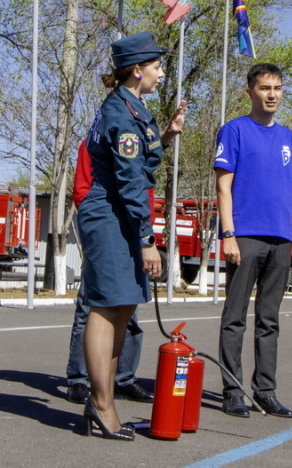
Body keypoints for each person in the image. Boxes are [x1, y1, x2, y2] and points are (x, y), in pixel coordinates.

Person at [78, 31, 186, 440]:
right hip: (110, 213)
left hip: (119, 211)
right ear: (137, 69)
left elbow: (138, 158)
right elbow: (128, 180)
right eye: (157, 67)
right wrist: (146, 239)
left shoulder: (131, 108)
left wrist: (169, 134)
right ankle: (101, 405)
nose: (161, 74)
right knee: (107, 307)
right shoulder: (122, 113)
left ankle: (103, 401)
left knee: (123, 306)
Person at [213, 63, 292, 419]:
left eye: (278, 88)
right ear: (250, 92)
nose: (272, 94)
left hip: (280, 240)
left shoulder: (288, 138)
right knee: (235, 317)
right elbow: (223, 185)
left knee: (269, 319)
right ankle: (233, 391)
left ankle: (265, 391)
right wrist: (229, 234)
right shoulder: (235, 130)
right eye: (265, 88)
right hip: (246, 236)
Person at [65, 140, 154, 405]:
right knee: (91, 308)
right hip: (105, 233)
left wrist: (146, 234)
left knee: (130, 311)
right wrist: (97, 230)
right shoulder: (92, 144)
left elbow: (144, 192)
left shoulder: (141, 146)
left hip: (134, 234)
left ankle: (123, 379)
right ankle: (79, 380)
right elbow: (82, 190)